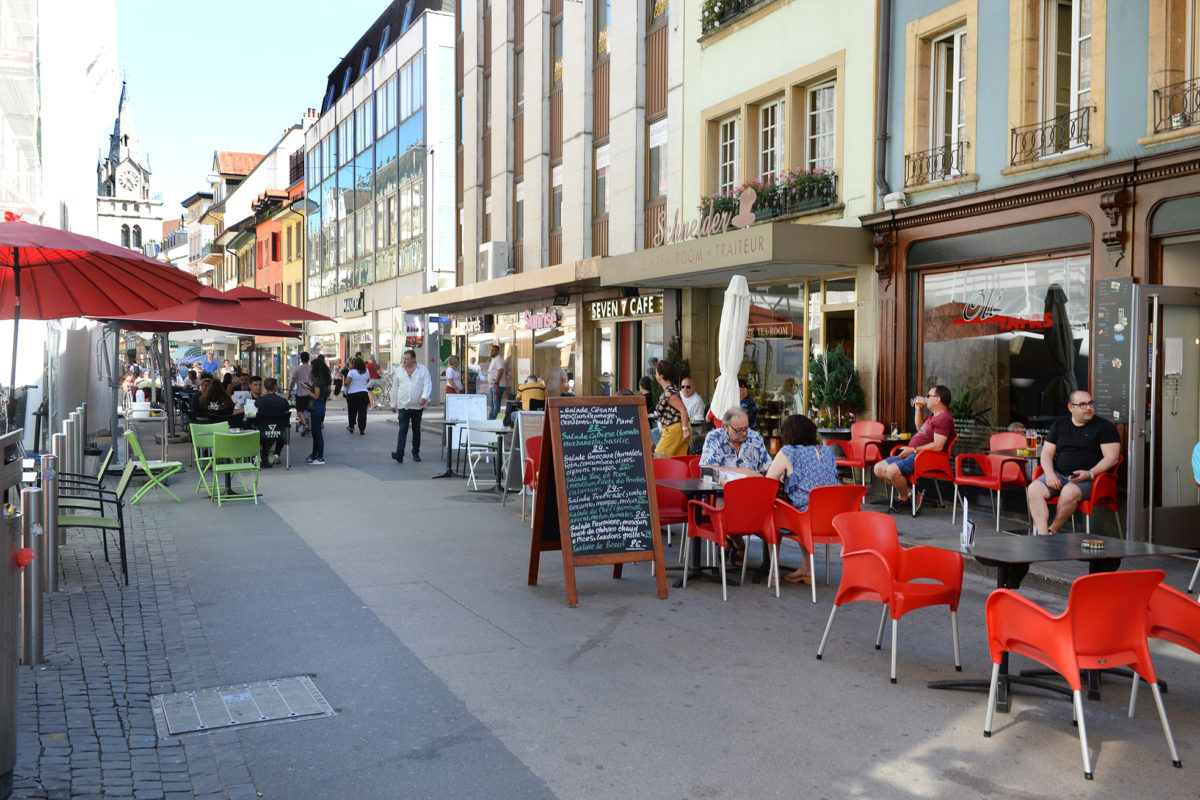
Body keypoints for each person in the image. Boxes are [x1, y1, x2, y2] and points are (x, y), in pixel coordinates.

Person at [1027, 389, 1121, 536]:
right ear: (1071, 407)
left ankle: (1053, 530)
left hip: (1090, 478)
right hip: (1059, 475)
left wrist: (1090, 473)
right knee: (1033, 490)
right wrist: (1050, 474)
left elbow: (1112, 458)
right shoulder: (1059, 425)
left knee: (1069, 491)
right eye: (1083, 404)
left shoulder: (1104, 427)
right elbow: (1046, 453)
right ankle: (1043, 536)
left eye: (1090, 403)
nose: (1089, 407)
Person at [765, 414, 840, 584]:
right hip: (831, 518)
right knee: (803, 504)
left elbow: (768, 482)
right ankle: (806, 568)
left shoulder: (789, 452)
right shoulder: (827, 450)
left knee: (773, 513)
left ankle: (774, 573)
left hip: (805, 518)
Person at [874, 384, 955, 515]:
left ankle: (903, 498)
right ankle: (911, 494)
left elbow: (938, 446)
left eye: (928, 396)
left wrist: (912, 450)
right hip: (913, 454)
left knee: (892, 470)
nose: (926, 398)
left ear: (938, 399)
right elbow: (920, 428)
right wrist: (918, 409)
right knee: (878, 468)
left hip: (923, 457)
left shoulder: (944, 418)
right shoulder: (933, 417)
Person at [390, 349, 432, 463]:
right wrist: (393, 404)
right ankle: (399, 454)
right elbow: (394, 388)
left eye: (407, 359)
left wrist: (424, 397)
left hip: (417, 406)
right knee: (402, 429)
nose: (405, 361)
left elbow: (428, 384)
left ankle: (416, 452)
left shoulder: (422, 370)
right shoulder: (399, 371)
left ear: (413, 359)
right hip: (403, 405)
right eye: (404, 358)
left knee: (416, 430)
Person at [652, 360, 691, 457]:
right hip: (676, 428)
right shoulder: (670, 389)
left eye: (656, 372)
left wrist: (685, 430)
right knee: (677, 462)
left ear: (661, 376)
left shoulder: (669, 392)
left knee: (658, 459)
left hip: (675, 429)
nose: (655, 375)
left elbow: (683, 410)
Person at [255, 377, 291, 467]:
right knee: (285, 428)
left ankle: (258, 456)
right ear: (275, 387)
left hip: (263, 432)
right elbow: (287, 418)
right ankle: (276, 454)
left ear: (265, 387)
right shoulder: (283, 401)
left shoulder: (259, 401)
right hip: (279, 432)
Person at [304, 355, 332, 465]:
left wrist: (306, 389)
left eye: (312, 367)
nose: (311, 369)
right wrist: (309, 386)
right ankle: (315, 454)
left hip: (317, 405)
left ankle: (320, 457)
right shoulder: (321, 378)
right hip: (319, 406)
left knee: (317, 433)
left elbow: (316, 395)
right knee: (315, 433)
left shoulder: (318, 379)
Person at [343, 356, 371, 435]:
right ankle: (362, 429)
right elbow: (368, 380)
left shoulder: (352, 372)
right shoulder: (366, 371)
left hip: (353, 394)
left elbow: (346, 383)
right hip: (364, 393)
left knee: (352, 411)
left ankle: (351, 427)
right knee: (362, 412)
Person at [289, 351, 312, 436]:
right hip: (310, 393)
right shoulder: (312, 368)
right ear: (308, 358)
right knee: (309, 410)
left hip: (300, 394)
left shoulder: (297, 369)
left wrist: (289, 393)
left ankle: (304, 424)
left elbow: (292, 382)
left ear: (301, 359)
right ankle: (310, 428)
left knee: (299, 410)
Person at [486, 343, 507, 419]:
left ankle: (496, 420)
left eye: (494, 350)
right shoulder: (494, 359)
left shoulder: (499, 358)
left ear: (498, 351)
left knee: (496, 403)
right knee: (492, 403)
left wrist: (496, 382)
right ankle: (492, 418)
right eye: (491, 350)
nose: (492, 351)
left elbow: (501, 370)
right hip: (492, 385)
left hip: (498, 385)